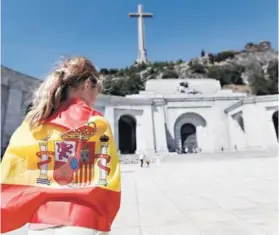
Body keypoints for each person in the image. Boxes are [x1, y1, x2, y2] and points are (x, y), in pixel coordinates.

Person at [1, 57, 121, 235]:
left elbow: (12, 166)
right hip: (84, 221)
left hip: (40, 224)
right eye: (97, 91)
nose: (96, 98)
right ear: (88, 84)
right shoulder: (95, 122)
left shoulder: (35, 122)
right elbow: (107, 178)